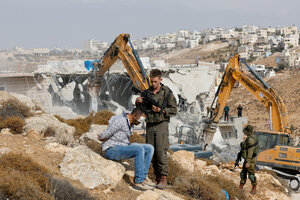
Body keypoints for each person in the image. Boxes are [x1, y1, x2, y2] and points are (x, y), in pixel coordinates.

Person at [136, 69, 177, 189]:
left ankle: (163, 178)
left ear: (160, 80)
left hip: (161, 124)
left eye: (155, 82)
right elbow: (141, 107)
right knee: (150, 151)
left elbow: (174, 109)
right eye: (151, 82)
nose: (153, 84)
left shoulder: (167, 92)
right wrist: (138, 101)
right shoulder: (147, 92)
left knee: (160, 151)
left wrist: (161, 110)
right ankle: (156, 177)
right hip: (149, 124)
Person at [98, 107, 154, 191]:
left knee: (150, 148)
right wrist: (100, 138)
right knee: (139, 149)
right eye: (141, 119)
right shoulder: (121, 120)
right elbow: (108, 133)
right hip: (112, 149)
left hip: (122, 146)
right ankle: (139, 181)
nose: (141, 122)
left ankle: (143, 177)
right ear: (135, 115)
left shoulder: (131, 121)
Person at [236, 125, 259, 195]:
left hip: (251, 160)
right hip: (247, 159)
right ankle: (241, 186)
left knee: (251, 175)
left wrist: (248, 162)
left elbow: (250, 152)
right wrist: (238, 159)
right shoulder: (247, 139)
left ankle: (254, 187)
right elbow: (243, 149)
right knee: (243, 173)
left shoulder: (251, 140)